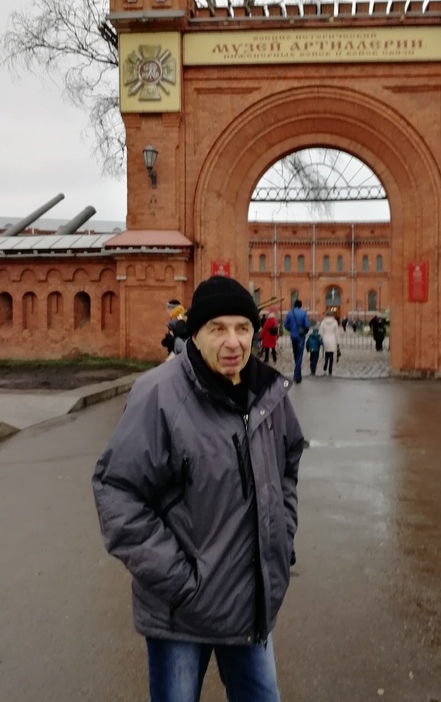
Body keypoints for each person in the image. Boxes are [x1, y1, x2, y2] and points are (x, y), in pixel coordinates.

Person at [93, 275, 305, 702]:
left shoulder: (269, 393)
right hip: (181, 614)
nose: (233, 342)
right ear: (195, 334)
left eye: (242, 328)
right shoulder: (159, 395)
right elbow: (117, 491)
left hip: (250, 605)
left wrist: (281, 536)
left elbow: (288, 464)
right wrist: (181, 582)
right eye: (217, 329)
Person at [283, 299, 310, 384]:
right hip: (300, 336)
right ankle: (296, 375)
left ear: (294, 305)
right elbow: (307, 325)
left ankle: (298, 375)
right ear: (301, 305)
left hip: (293, 336)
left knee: (295, 354)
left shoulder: (290, 313)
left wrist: (291, 329)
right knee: (299, 355)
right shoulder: (303, 313)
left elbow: (285, 325)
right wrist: (304, 330)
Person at [319, 310, 340, 376]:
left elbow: (321, 332)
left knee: (326, 353)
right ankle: (330, 368)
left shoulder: (323, 322)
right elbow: (337, 333)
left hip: (325, 339)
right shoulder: (335, 322)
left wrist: (321, 339)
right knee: (331, 354)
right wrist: (338, 342)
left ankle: (326, 363)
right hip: (333, 339)